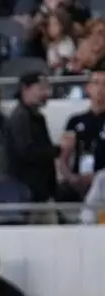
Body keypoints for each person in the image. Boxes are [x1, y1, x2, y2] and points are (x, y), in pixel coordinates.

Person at [0, 72, 59, 203]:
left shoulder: (37, 118)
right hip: (24, 189)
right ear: (25, 89)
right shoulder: (21, 117)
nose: (46, 93)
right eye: (41, 88)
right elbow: (27, 151)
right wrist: (57, 151)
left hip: (37, 188)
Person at [59, 69, 105, 201]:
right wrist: (70, 177)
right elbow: (64, 156)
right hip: (79, 178)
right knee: (62, 191)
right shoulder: (75, 121)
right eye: (96, 83)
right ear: (88, 88)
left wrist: (97, 177)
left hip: (102, 180)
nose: (101, 89)